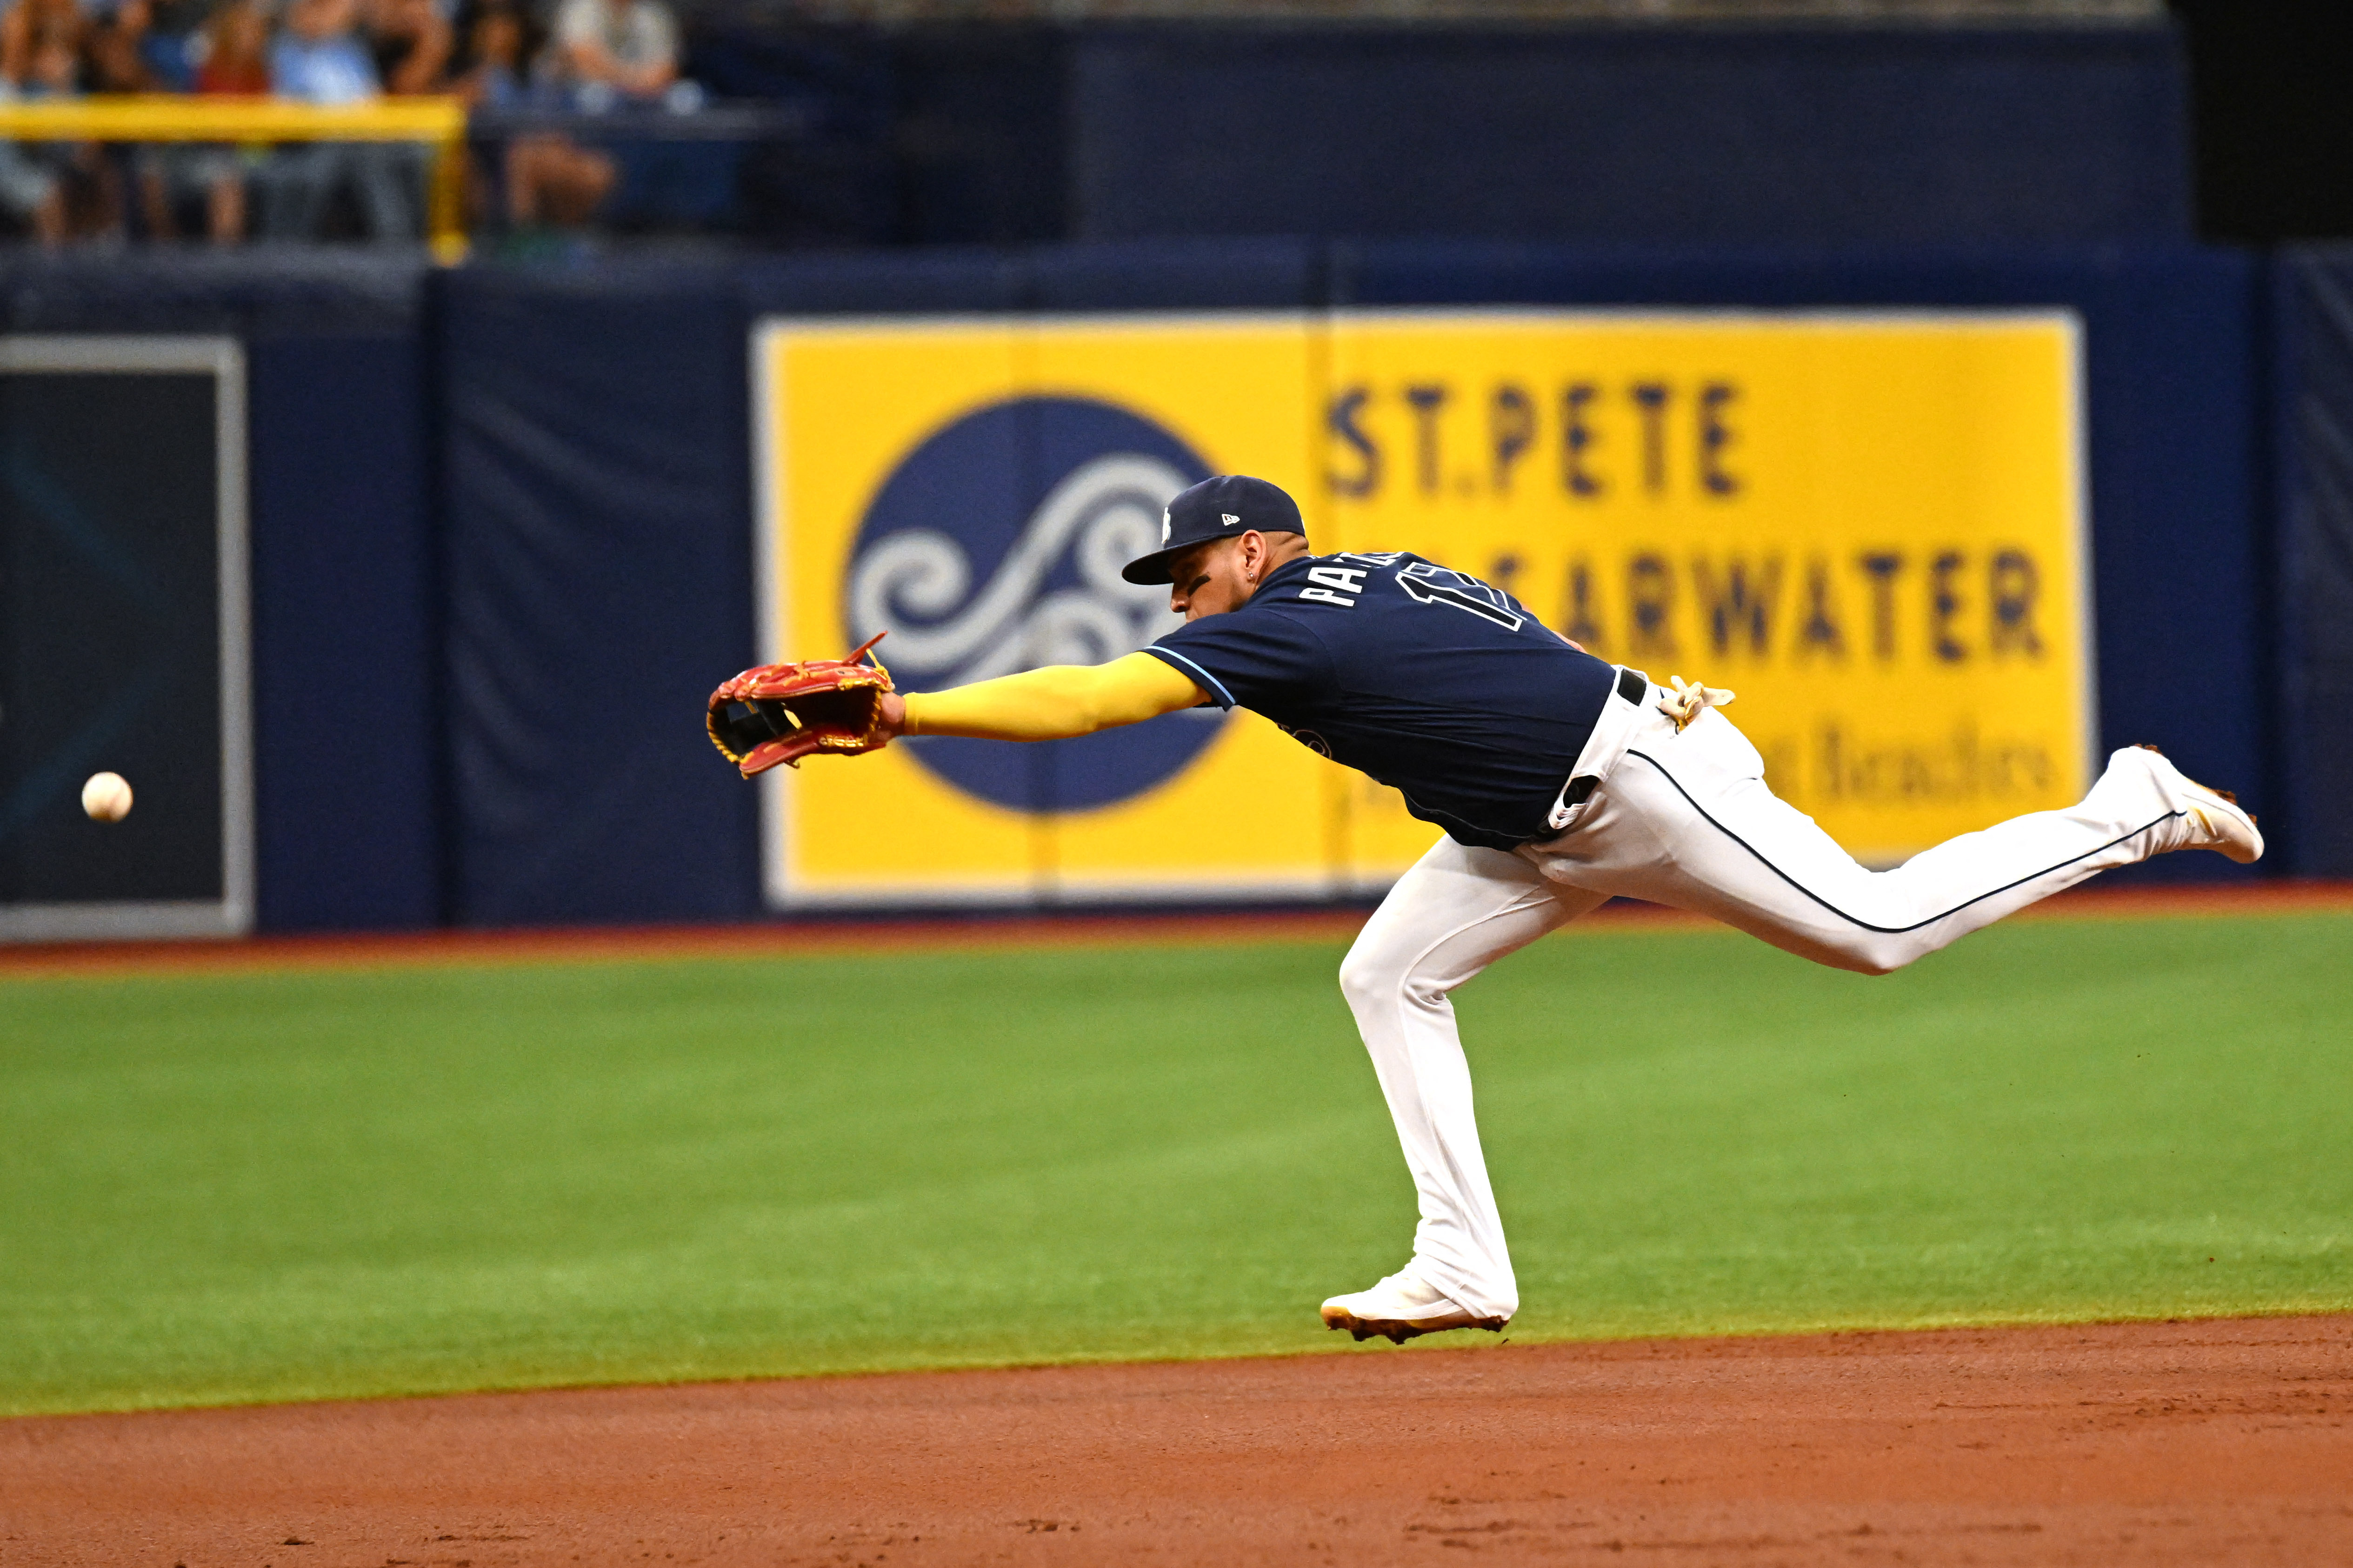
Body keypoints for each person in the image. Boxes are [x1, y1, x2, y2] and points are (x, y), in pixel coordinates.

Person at [855, 473, 2264, 1345]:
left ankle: (2127, 804)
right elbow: (1509, 651)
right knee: (1385, 975)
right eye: (1172, 580)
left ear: (1259, 548)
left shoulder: (1285, 612)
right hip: (1536, 819)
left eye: (1190, 568)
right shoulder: (1381, 572)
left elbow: (1099, 698)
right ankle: (1459, 1263)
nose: (1181, 594)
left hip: (1630, 787)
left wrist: (908, 710)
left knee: (1875, 932)